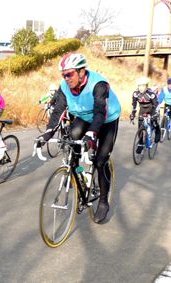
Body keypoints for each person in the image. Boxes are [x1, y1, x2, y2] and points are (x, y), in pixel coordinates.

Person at [39, 53, 121, 224]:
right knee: (73, 137)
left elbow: (100, 112)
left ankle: (104, 201)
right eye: (64, 75)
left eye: (69, 74)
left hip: (106, 119)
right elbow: (58, 111)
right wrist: (46, 135)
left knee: (100, 160)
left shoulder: (99, 84)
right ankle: (76, 175)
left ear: (82, 71)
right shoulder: (64, 86)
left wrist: (91, 134)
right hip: (84, 116)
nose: (66, 78)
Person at [130, 76, 161, 154]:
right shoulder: (135, 94)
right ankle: (140, 143)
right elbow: (134, 105)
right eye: (139, 86)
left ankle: (158, 131)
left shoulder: (151, 94)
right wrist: (132, 114)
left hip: (152, 109)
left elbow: (156, 105)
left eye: (143, 86)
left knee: (154, 121)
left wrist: (155, 114)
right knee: (140, 126)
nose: (141, 88)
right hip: (142, 109)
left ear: (146, 86)